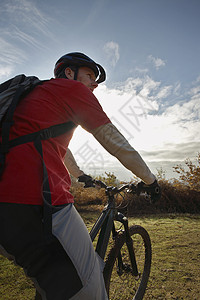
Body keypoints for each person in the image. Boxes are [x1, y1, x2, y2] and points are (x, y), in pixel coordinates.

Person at [0, 52, 160, 300]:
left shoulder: (38, 95)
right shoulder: (71, 90)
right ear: (68, 73)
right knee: (92, 290)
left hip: (8, 209)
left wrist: (80, 175)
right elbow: (114, 141)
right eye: (89, 75)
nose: (94, 84)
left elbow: (54, 145)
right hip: (37, 205)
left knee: (55, 282)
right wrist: (151, 180)